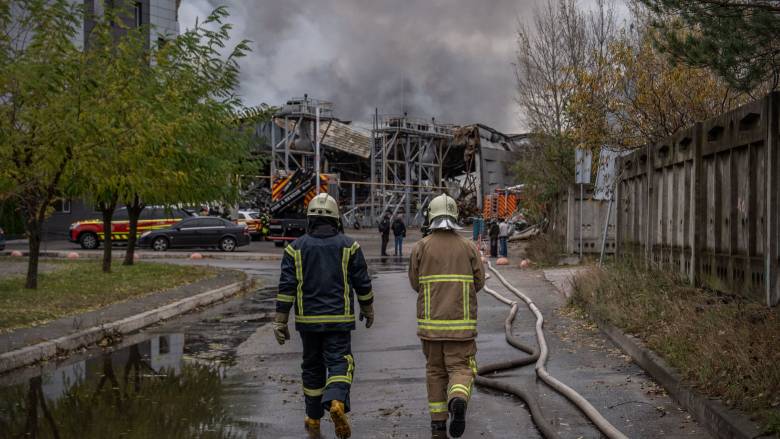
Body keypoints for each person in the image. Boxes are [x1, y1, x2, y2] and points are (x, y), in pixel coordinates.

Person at [272, 193, 374, 439]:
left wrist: (280, 320)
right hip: (339, 320)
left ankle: (313, 417)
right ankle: (337, 401)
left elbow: (286, 287)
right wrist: (368, 308)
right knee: (340, 362)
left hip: (307, 323)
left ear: (309, 219)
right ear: (336, 218)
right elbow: (362, 282)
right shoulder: (349, 246)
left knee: (312, 368)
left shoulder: (294, 248)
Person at [408, 194, 485, 438]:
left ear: (430, 215)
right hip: (461, 328)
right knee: (460, 368)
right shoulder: (468, 246)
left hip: (430, 328)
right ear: (454, 215)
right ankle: (458, 397)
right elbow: (479, 282)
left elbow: (414, 283)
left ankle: (438, 423)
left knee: (435, 372)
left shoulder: (421, 247)